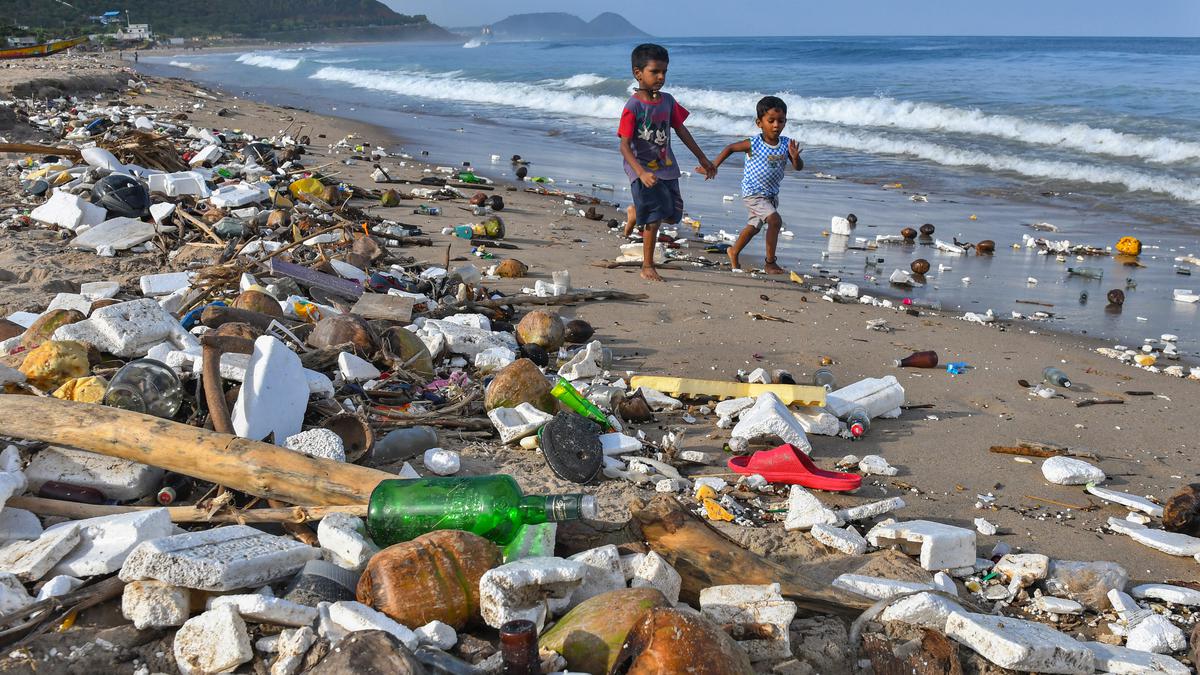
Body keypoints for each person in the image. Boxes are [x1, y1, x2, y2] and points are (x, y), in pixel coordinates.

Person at [618, 43, 715, 281]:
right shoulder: (633, 106)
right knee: (653, 218)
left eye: (664, 72)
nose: (661, 77)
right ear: (638, 73)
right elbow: (624, 145)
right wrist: (640, 173)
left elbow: (681, 129)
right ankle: (647, 266)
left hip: (667, 168)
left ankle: (634, 213)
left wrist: (702, 157)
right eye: (655, 72)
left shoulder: (668, 101)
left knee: (673, 215)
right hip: (642, 170)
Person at [710, 96, 803, 273]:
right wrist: (714, 165)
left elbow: (798, 168)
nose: (776, 125)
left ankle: (733, 251)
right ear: (759, 123)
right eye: (771, 121)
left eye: (780, 121)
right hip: (753, 193)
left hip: (770, 195)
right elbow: (730, 148)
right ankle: (770, 262)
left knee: (753, 227)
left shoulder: (786, 144)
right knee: (775, 221)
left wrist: (796, 158)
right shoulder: (754, 143)